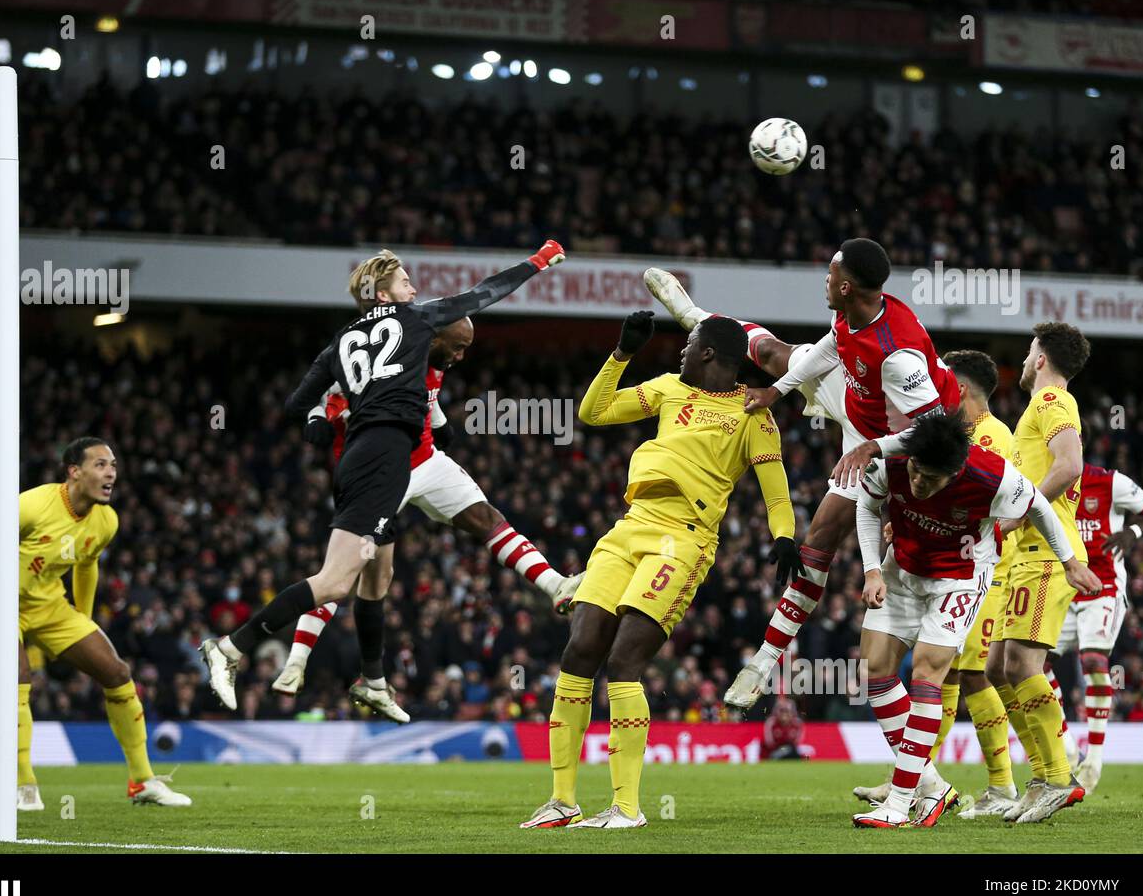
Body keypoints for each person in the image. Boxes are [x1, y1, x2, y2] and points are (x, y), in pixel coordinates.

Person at [202, 241, 565, 716]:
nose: (414, 289)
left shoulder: (340, 343)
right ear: (384, 294)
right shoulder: (416, 319)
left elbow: (296, 404)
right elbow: (483, 293)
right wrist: (538, 261)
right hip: (384, 458)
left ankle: (374, 683)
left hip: (368, 456)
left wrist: (334, 409)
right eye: (405, 282)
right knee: (335, 583)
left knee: (377, 579)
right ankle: (230, 649)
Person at [642, 241, 961, 716]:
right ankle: (695, 317)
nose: (825, 280)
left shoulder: (899, 359)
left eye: (830, 274)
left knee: (822, 534)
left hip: (898, 446)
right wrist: (776, 390)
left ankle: (764, 663)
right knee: (773, 352)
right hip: (857, 404)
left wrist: (872, 448)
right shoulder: (856, 312)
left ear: (847, 285)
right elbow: (832, 345)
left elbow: (933, 433)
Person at [520, 309, 801, 830]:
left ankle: (626, 807)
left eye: (689, 342)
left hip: (685, 539)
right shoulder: (670, 387)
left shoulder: (752, 413)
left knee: (624, 661)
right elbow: (594, 412)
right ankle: (562, 800)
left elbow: (775, 488)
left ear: (710, 352)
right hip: (630, 527)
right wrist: (621, 355)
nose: (680, 351)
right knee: (579, 649)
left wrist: (784, 538)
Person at [273, 315, 583, 701]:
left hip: (425, 460)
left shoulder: (434, 360)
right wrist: (317, 417)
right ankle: (296, 662)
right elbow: (331, 393)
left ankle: (555, 585)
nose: (460, 355)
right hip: (379, 474)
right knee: (342, 575)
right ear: (433, 339)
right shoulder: (386, 359)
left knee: (488, 518)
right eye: (456, 346)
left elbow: (429, 396)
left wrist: (440, 423)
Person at [852, 414, 1101, 828]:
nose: (918, 484)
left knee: (928, 674)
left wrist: (1070, 562)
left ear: (955, 471)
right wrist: (871, 569)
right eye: (915, 472)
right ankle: (930, 786)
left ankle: (900, 802)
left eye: (931, 480)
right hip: (903, 570)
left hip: (959, 580)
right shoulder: (891, 461)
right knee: (875, 669)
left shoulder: (992, 476)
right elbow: (867, 505)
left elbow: (1039, 506)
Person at [0, 438, 191, 806]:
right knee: (16, 679)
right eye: (101, 464)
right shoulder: (32, 505)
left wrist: (83, 621)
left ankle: (142, 781)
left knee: (117, 673)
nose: (111, 473)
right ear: (74, 471)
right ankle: (23, 786)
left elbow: (87, 565)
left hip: (51, 606)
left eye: (114, 465)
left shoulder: (107, 520)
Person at [985, 323, 1097, 824]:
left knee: (1023, 668)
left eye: (1031, 350)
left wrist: (1020, 512)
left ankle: (1056, 779)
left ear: (1042, 359)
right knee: (997, 669)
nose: (1026, 359)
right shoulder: (1038, 407)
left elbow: (1070, 464)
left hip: (1049, 556)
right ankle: (1043, 775)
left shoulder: (1054, 400)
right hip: (1024, 557)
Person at [1055, 461, 1143, 792]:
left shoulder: (1110, 482)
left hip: (1103, 589)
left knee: (1093, 661)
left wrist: (1132, 532)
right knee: (1027, 662)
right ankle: (1066, 744)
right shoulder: (1049, 481)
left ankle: (1095, 760)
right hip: (1061, 588)